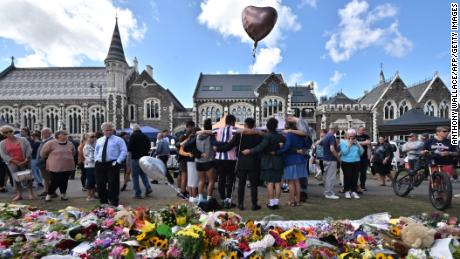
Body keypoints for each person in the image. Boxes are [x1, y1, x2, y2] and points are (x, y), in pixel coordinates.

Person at [216, 117, 262, 211]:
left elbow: (230, 145)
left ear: (245, 125)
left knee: (241, 184)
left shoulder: (239, 135)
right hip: (254, 162)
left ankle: (240, 204)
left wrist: (219, 149)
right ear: (253, 125)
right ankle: (254, 204)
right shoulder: (258, 135)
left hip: (242, 161)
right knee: (254, 185)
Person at [242, 117, 284, 209]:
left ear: (268, 126)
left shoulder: (267, 136)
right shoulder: (280, 136)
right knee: (277, 182)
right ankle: (276, 202)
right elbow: (284, 147)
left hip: (268, 161)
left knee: (270, 183)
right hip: (279, 161)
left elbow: (261, 147)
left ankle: (271, 203)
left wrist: (249, 151)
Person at [94, 122, 127, 206]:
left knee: (113, 184)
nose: (108, 132)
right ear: (103, 131)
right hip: (100, 164)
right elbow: (96, 151)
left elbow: (124, 151)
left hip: (112, 164)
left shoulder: (118, 140)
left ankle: (114, 201)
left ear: (113, 130)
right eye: (106, 130)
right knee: (100, 184)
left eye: (110, 130)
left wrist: (118, 161)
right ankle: (103, 202)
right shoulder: (99, 140)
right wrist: (96, 160)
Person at [277, 120, 308, 207]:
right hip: (300, 159)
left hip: (291, 160)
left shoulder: (289, 135)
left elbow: (287, 147)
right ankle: (297, 201)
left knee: (291, 182)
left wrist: (278, 151)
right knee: (297, 181)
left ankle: (291, 201)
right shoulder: (299, 135)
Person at [0, 125, 35, 201]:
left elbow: (29, 149)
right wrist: (15, 161)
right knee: (16, 179)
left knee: (28, 177)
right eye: (6, 132)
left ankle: (30, 193)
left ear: (13, 131)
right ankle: (19, 194)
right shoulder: (2, 143)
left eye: (10, 131)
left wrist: (26, 159)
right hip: (13, 163)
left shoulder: (23, 140)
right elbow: (3, 154)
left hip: (25, 161)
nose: (9, 133)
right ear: (3, 134)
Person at [40, 130, 76, 201]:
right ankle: (49, 194)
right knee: (54, 181)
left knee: (64, 181)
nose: (66, 135)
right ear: (58, 135)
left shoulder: (70, 143)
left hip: (67, 166)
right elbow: (43, 153)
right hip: (55, 167)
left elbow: (73, 152)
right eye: (64, 134)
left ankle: (63, 194)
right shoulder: (50, 143)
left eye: (66, 134)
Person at [285, 112, 312, 202]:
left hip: (295, 157)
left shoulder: (292, 131)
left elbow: (303, 133)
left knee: (293, 181)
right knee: (298, 180)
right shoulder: (301, 130)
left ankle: (295, 199)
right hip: (301, 156)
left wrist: (290, 131)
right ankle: (298, 198)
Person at [213, 115, 238, 208]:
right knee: (231, 179)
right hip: (230, 158)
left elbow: (208, 133)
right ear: (232, 121)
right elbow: (244, 132)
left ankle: (223, 199)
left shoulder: (217, 129)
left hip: (219, 158)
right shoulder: (234, 129)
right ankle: (228, 200)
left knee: (221, 179)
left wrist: (216, 146)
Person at [194, 119, 216, 204]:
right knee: (211, 180)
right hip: (208, 160)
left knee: (201, 180)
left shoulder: (197, 136)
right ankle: (209, 198)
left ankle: (200, 198)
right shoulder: (211, 136)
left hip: (198, 161)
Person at [128, 125, 153, 199]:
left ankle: (137, 193)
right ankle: (148, 188)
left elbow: (129, 147)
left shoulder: (133, 136)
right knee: (143, 173)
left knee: (135, 176)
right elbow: (149, 147)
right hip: (144, 158)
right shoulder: (145, 136)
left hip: (135, 158)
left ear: (133, 130)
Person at [339, 129, 364, 199]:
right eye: (350, 136)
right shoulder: (343, 142)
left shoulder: (356, 142)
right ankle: (347, 191)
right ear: (347, 136)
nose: (352, 138)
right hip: (346, 162)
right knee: (347, 177)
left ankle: (354, 191)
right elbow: (344, 152)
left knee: (355, 177)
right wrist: (349, 145)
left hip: (356, 161)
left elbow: (361, 152)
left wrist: (358, 145)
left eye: (353, 137)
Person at [319, 123, 341, 199]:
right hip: (331, 159)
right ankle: (329, 193)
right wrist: (338, 158)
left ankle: (328, 191)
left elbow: (320, 143)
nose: (337, 131)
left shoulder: (326, 136)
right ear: (334, 129)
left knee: (326, 176)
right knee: (330, 177)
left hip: (325, 158)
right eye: (337, 129)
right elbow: (332, 149)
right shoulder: (331, 136)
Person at [36, 128, 54, 197]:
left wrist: (44, 159)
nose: (42, 134)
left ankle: (51, 192)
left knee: (48, 178)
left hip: (46, 163)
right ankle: (46, 191)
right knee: (46, 178)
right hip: (42, 163)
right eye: (42, 133)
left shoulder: (51, 141)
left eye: (44, 133)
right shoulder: (45, 140)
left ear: (49, 133)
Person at [355, 126, 371, 192]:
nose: (363, 131)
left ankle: (362, 185)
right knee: (356, 172)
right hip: (355, 157)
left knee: (363, 172)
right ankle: (356, 186)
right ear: (358, 130)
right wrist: (363, 143)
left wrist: (357, 143)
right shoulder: (354, 136)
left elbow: (368, 142)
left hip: (364, 157)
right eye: (362, 130)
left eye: (364, 130)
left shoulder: (366, 136)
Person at [83, 133, 97, 201]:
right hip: (90, 166)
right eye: (91, 137)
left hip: (95, 165)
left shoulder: (94, 145)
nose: (93, 138)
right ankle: (88, 196)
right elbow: (89, 158)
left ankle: (93, 195)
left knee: (94, 181)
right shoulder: (87, 146)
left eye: (94, 137)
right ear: (87, 138)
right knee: (90, 181)